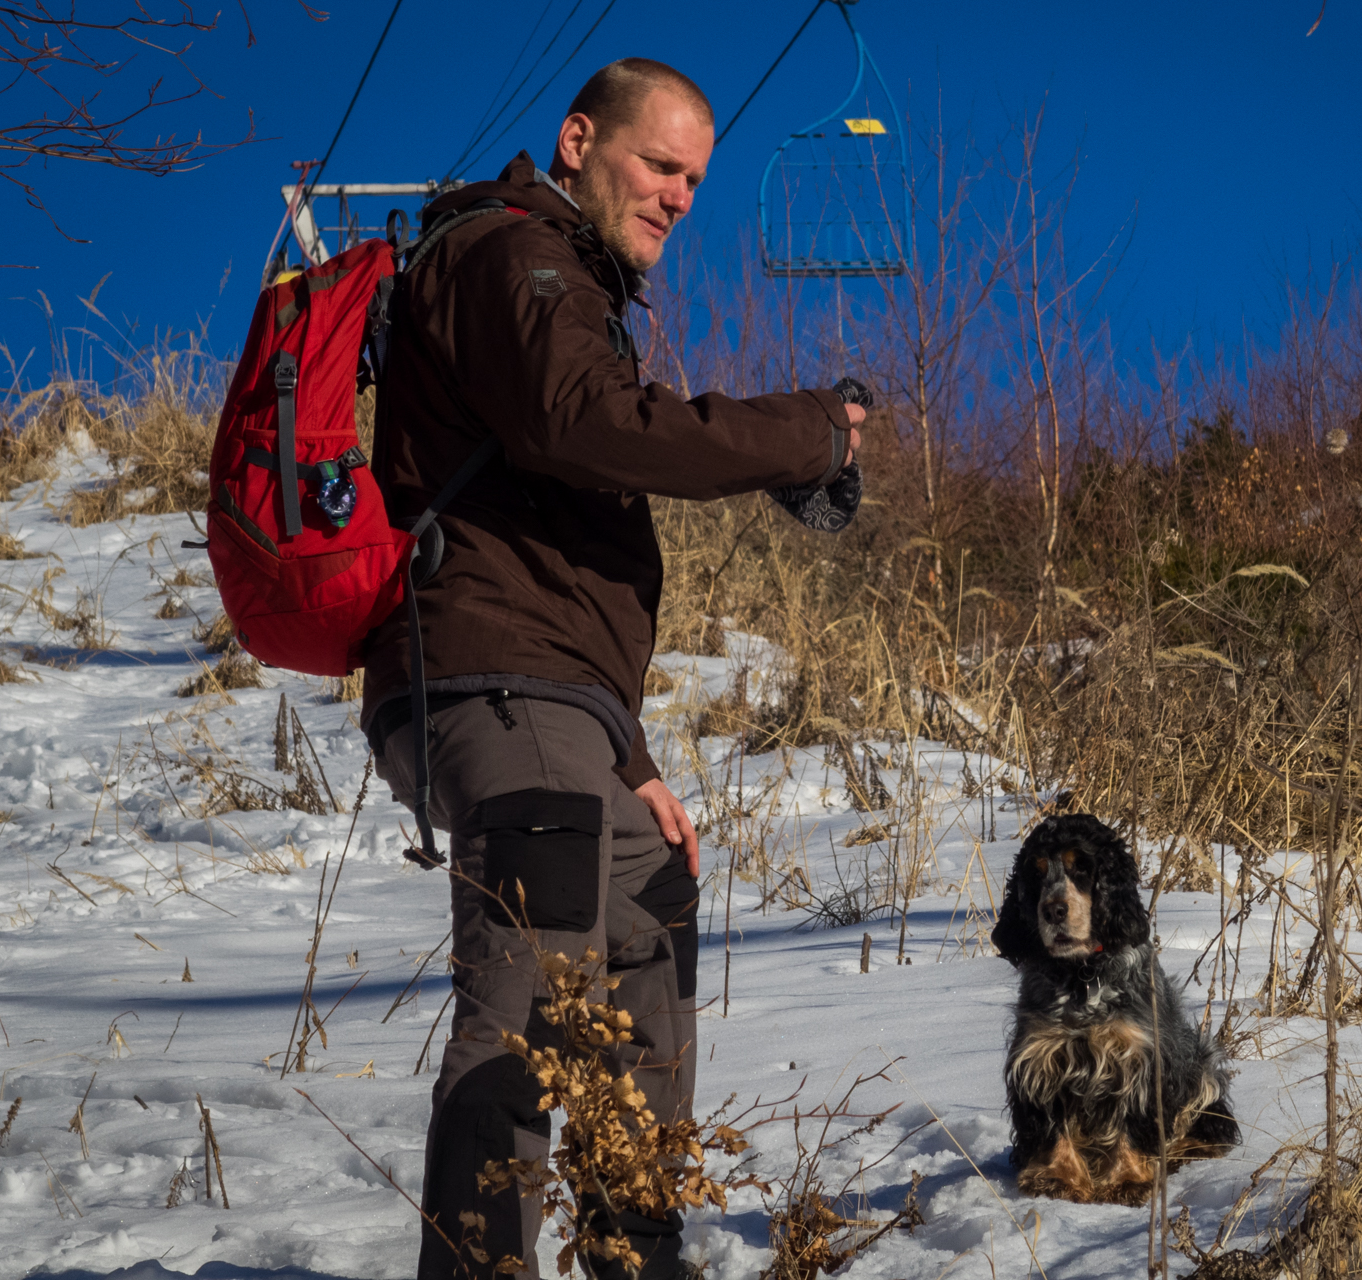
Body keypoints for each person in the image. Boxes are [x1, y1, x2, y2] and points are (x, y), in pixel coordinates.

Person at [361, 58, 866, 1280]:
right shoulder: (513, 260)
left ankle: (638, 1258)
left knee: (647, 929)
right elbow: (587, 425)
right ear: (580, 141)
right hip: (496, 688)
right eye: (659, 164)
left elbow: (555, 540)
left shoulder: (559, 280)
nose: (681, 196)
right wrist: (801, 432)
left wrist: (627, 758)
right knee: (529, 1000)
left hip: (559, 707)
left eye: (696, 177)